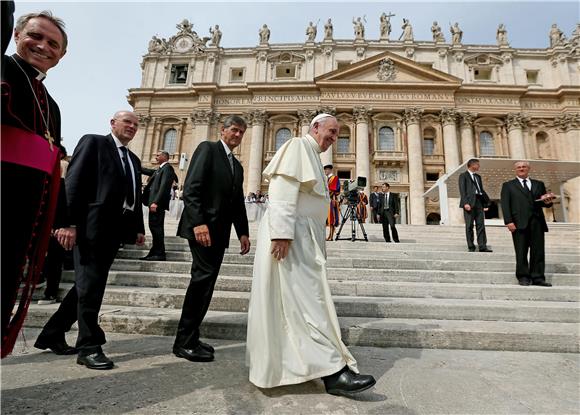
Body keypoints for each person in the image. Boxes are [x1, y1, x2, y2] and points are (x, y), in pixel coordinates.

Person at [246, 113, 376, 396]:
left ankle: (304, 365)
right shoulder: (296, 146)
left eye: (337, 134)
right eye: (331, 131)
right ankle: (333, 374)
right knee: (310, 302)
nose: (333, 137)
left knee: (296, 303)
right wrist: (282, 233)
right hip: (291, 236)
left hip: (302, 236)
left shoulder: (313, 155)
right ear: (314, 127)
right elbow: (282, 189)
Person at [34, 111, 146, 369]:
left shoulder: (133, 159)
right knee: (90, 288)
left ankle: (53, 332)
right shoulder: (94, 142)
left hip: (113, 232)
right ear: (113, 123)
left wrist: (137, 228)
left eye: (136, 125)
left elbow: (133, 198)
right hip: (89, 228)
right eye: (127, 122)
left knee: (86, 286)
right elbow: (73, 183)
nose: (131, 127)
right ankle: (88, 346)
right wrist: (68, 223)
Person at [1, 8, 68, 358]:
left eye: (53, 43)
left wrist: (61, 220)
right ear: (14, 34)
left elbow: (54, 170)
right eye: (36, 36)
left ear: (62, 54)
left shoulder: (51, 105)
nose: (44, 47)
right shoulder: (4, 70)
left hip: (21, 226)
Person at [173, 115, 250, 363]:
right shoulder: (208, 148)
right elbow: (192, 188)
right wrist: (198, 223)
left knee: (206, 283)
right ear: (223, 130)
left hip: (219, 232)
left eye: (241, 132)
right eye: (234, 130)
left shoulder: (236, 166)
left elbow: (237, 202)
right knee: (201, 281)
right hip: (202, 229)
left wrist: (243, 232)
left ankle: (191, 337)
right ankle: (183, 342)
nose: (237, 135)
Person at [500, 161, 553, 287]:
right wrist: (508, 221)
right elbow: (505, 204)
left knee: (538, 251)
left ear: (528, 169)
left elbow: (543, 202)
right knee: (521, 251)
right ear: (515, 170)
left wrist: (548, 201)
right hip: (519, 223)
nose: (521, 169)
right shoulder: (508, 185)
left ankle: (538, 277)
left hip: (537, 222)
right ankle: (523, 277)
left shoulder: (538, 184)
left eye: (524, 167)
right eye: (519, 167)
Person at [38, 146, 70, 305]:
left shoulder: (62, 183)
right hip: (38, 228)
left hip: (54, 228)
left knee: (54, 261)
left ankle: (50, 292)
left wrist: (56, 226)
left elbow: (62, 207)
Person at [141, 150, 178, 261]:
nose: (155, 157)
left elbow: (164, 187)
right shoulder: (161, 169)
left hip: (157, 205)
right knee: (154, 228)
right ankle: (155, 251)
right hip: (153, 204)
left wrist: (156, 202)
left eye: (158, 155)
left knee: (156, 228)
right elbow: (148, 171)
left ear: (164, 157)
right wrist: (137, 167)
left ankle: (159, 253)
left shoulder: (168, 168)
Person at [458, 159, 492, 253]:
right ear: (472, 165)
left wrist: (486, 203)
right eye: (477, 164)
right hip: (469, 203)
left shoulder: (478, 177)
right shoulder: (463, 176)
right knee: (469, 226)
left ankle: (482, 246)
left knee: (481, 225)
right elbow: (462, 190)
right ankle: (471, 247)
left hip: (479, 202)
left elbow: (481, 190)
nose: (479, 166)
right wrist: (465, 203)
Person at [324, 164, 341, 241]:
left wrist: (326, 196)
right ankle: (328, 235)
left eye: (326, 170)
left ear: (330, 170)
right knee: (327, 219)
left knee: (332, 219)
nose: (325, 171)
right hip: (327, 200)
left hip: (331, 200)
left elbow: (333, 189)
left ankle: (331, 236)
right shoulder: (327, 179)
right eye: (325, 170)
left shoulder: (334, 178)